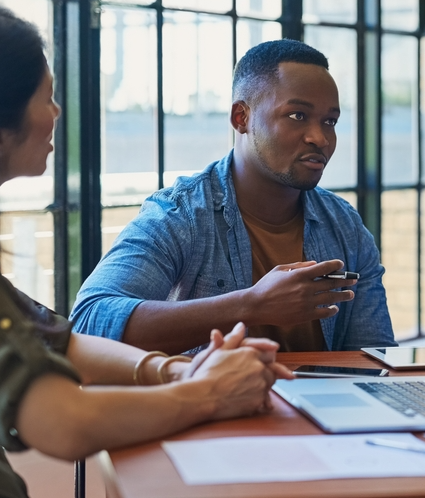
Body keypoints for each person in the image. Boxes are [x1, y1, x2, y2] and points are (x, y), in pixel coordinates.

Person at [0, 2, 293, 498]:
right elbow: (61, 422)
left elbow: (55, 340)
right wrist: (208, 395)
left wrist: (176, 373)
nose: (56, 113)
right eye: (46, 98)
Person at [70, 39, 395, 354]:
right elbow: (89, 322)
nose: (320, 138)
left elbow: (376, 359)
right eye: (297, 115)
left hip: (320, 410)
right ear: (242, 118)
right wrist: (252, 306)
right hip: (212, 408)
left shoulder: (343, 224)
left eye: (330, 121)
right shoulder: (181, 214)